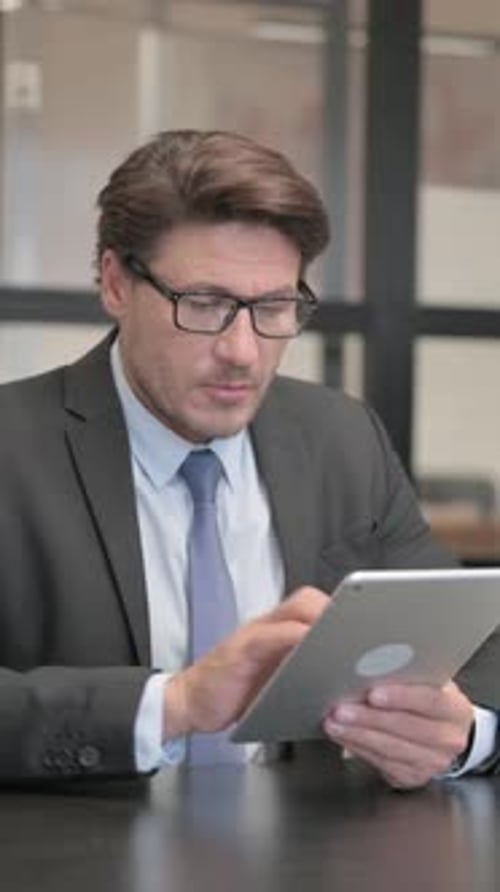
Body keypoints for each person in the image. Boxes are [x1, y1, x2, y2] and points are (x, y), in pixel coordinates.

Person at [0, 129, 497, 788]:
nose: (243, 350)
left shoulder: (340, 437)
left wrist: (466, 737)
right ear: (117, 283)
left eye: (274, 307)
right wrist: (172, 706)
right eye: (204, 304)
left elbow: (474, 651)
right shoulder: (14, 445)